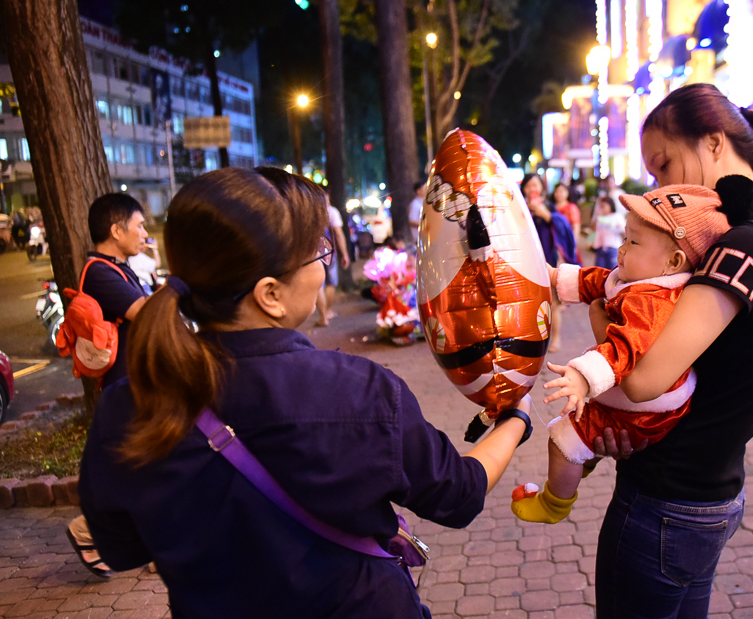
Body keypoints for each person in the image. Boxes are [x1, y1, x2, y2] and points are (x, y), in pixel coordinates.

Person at [77, 168, 532, 619]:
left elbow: (120, 549)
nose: (322, 264)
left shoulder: (123, 408)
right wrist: (516, 419)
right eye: (316, 252)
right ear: (270, 294)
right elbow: (458, 493)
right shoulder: (359, 392)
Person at [583, 83, 753, 618]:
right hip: (705, 492)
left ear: (713, 143)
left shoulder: (745, 244)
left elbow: (639, 380)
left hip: (666, 501)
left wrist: (602, 302)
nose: (659, 189)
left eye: (664, 166)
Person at [511, 180, 753, 524]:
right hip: (633, 401)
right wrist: (552, 277)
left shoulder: (652, 302)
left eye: (634, 241)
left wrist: (581, 377)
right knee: (577, 437)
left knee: (562, 438)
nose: (622, 249)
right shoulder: (639, 279)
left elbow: (625, 347)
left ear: (673, 261)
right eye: (625, 237)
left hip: (643, 412)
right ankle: (581, 460)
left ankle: (554, 504)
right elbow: (596, 281)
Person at [66, 193, 151, 579]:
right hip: (125, 386)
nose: (144, 232)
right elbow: (145, 313)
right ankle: (87, 530)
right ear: (116, 231)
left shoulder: (118, 267)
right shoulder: (99, 272)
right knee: (137, 465)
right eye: (139, 225)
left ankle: (136, 541)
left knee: (143, 463)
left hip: (139, 381)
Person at [521, 173, 579, 353]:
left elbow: (561, 227)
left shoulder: (547, 206)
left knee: (553, 303)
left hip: (548, 262)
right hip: (527, 263)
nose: (532, 189)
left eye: (535, 185)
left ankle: (556, 339)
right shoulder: (519, 207)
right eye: (529, 185)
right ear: (523, 189)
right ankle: (534, 338)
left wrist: (545, 215)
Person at [316, 196, 351, 326]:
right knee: (331, 282)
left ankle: (323, 317)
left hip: (314, 253)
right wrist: (345, 253)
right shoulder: (332, 211)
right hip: (329, 252)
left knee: (320, 284)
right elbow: (338, 233)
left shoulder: (311, 211)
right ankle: (328, 311)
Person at [591, 196, 625, 270]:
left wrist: (618, 227)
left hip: (613, 247)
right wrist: (597, 215)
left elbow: (623, 231)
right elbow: (593, 229)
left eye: (604, 206)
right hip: (601, 246)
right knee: (599, 270)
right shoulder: (600, 217)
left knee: (612, 270)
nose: (603, 208)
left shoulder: (617, 216)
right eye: (601, 206)